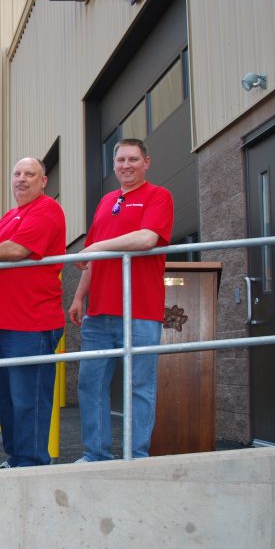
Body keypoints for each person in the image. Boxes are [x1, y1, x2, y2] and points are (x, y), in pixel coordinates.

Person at [68, 138, 174, 461]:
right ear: (113, 165)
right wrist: (78, 297)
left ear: (147, 162)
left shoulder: (158, 196)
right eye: (120, 160)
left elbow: (147, 238)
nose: (126, 165)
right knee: (91, 384)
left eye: (132, 159)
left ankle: (136, 456)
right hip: (98, 312)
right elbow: (91, 258)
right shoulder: (106, 202)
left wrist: (96, 248)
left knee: (139, 387)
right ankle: (96, 455)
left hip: (139, 311)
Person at [0, 157, 65, 468]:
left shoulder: (48, 209)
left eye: (29, 174)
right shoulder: (9, 216)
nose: (21, 179)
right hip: (3, 325)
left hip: (31, 324)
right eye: (17, 173)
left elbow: (18, 250)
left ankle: (32, 463)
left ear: (43, 181)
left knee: (29, 400)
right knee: (6, 399)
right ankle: (17, 458)